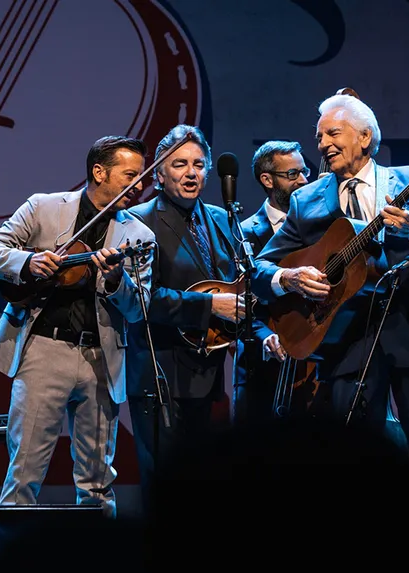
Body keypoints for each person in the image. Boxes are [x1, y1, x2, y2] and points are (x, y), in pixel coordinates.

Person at [252, 93, 409, 504]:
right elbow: (260, 267)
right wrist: (290, 277)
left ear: (365, 137)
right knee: (355, 458)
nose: (322, 144)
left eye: (333, 133)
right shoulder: (306, 199)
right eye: (318, 137)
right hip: (344, 338)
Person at [0, 135, 154, 517]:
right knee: (24, 473)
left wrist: (118, 280)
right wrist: (27, 263)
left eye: (142, 177)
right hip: (44, 350)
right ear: (99, 172)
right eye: (130, 175)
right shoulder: (44, 207)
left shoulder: (139, 236)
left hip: (101, 358)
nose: (139, 185)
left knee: (98, 480)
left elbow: (139, 309)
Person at [125, 125, 245, 506]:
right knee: (165, 482)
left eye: (198, 164)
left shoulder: (222, 219)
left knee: (200, 483)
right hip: (160, 370)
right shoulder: (138, 220)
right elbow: (142, 299)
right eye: (179, 164)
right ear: (159, 173)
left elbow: (238, 281)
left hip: (206, 368)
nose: (191, 173)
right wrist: (211, 306)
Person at [231, 141, 311, 425]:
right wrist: (265, 334)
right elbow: (236, 301)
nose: (303, 181)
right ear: (267, 180)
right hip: (262, 370)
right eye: (293, 175)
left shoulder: (321, 226)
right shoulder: (242, 234)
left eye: (305, 172)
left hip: (313, 365)